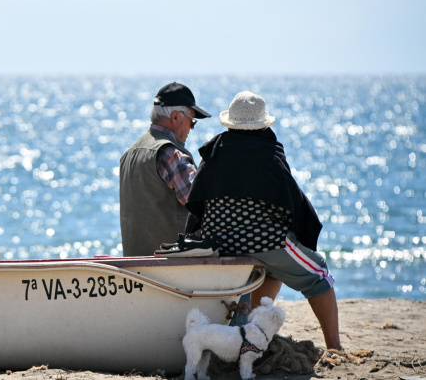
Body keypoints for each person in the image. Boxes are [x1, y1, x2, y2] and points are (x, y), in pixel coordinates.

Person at [184, 91, 342, 350]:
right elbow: (290, 200)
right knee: (319, 274)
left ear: (230, 124)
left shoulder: (214, 151)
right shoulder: (269, 152)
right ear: (263, 124)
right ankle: (335, 347)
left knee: (271, 274)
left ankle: (248, 331)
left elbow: (197, 199)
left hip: (218, 242)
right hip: (264, 241)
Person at [120, 82, 211, 256]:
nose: (192, 128)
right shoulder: (171, 154)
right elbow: (203, 205)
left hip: (134, 266)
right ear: (176, 117)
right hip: (170, 267)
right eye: (192, 121)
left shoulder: (129, 154)